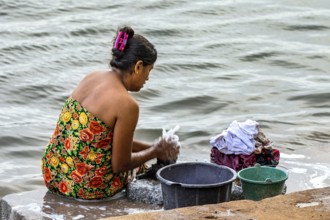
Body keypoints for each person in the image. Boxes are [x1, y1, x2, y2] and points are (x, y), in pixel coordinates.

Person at [41, 26, 180, 200]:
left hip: (52, 174)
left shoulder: (92, 77)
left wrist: (155, 148)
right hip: (84, 187)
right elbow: (121, 164)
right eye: (148, 71)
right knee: (141, 168)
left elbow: (103, 138)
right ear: (138, 66)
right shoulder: (127, 104)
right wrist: (153, 153)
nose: (147, 79)